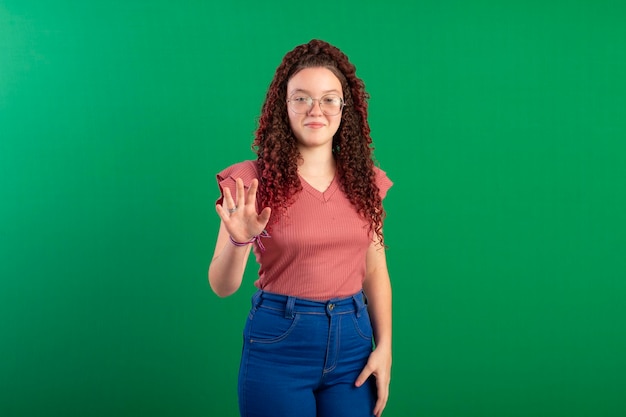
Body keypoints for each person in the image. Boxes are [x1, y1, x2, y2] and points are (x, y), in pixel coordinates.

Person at [208, 39, 393, 417]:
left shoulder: (365, 181)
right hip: (279, 344)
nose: (316, 110)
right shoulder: (251, 181)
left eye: (329, 99)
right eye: (301, 98)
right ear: (284, 106)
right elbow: (221, 286)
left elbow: (374, 268)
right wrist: (240, 239)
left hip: (354, 344)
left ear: (346, 108)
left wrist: (385, 346)